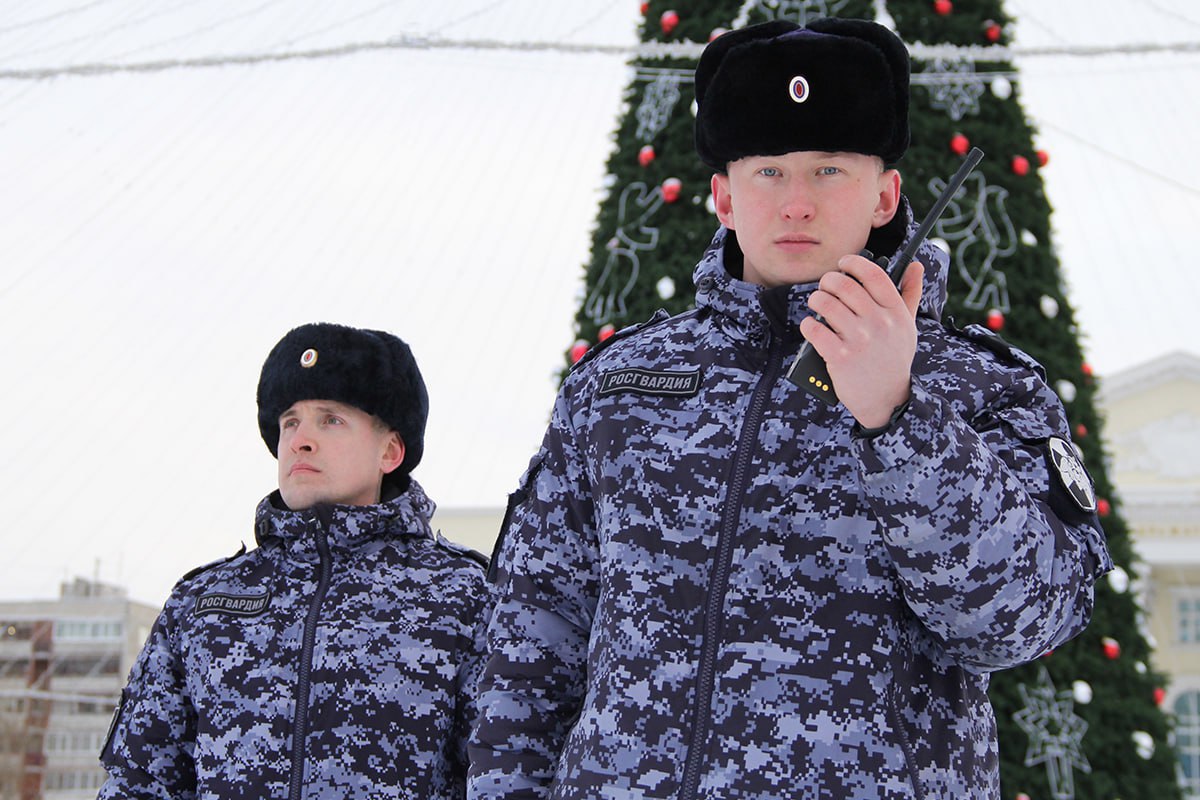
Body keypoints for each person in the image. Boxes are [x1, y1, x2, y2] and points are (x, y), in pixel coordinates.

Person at [468, 18, 1111, 800]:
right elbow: (529, 641)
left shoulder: (981, 387)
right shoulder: (615, 386)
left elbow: (1023, 621)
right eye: (769, 173)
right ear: (724, 197)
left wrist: (901, 418)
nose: (797, 203)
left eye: (829, 170)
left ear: (885, 196)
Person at [99, 322, 491, 799]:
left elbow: (507, 772)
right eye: (290, 422)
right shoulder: (202, 604)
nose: (301, 440)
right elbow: (137, 781)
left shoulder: (465, 597)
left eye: (331, 419)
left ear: (390, 451)